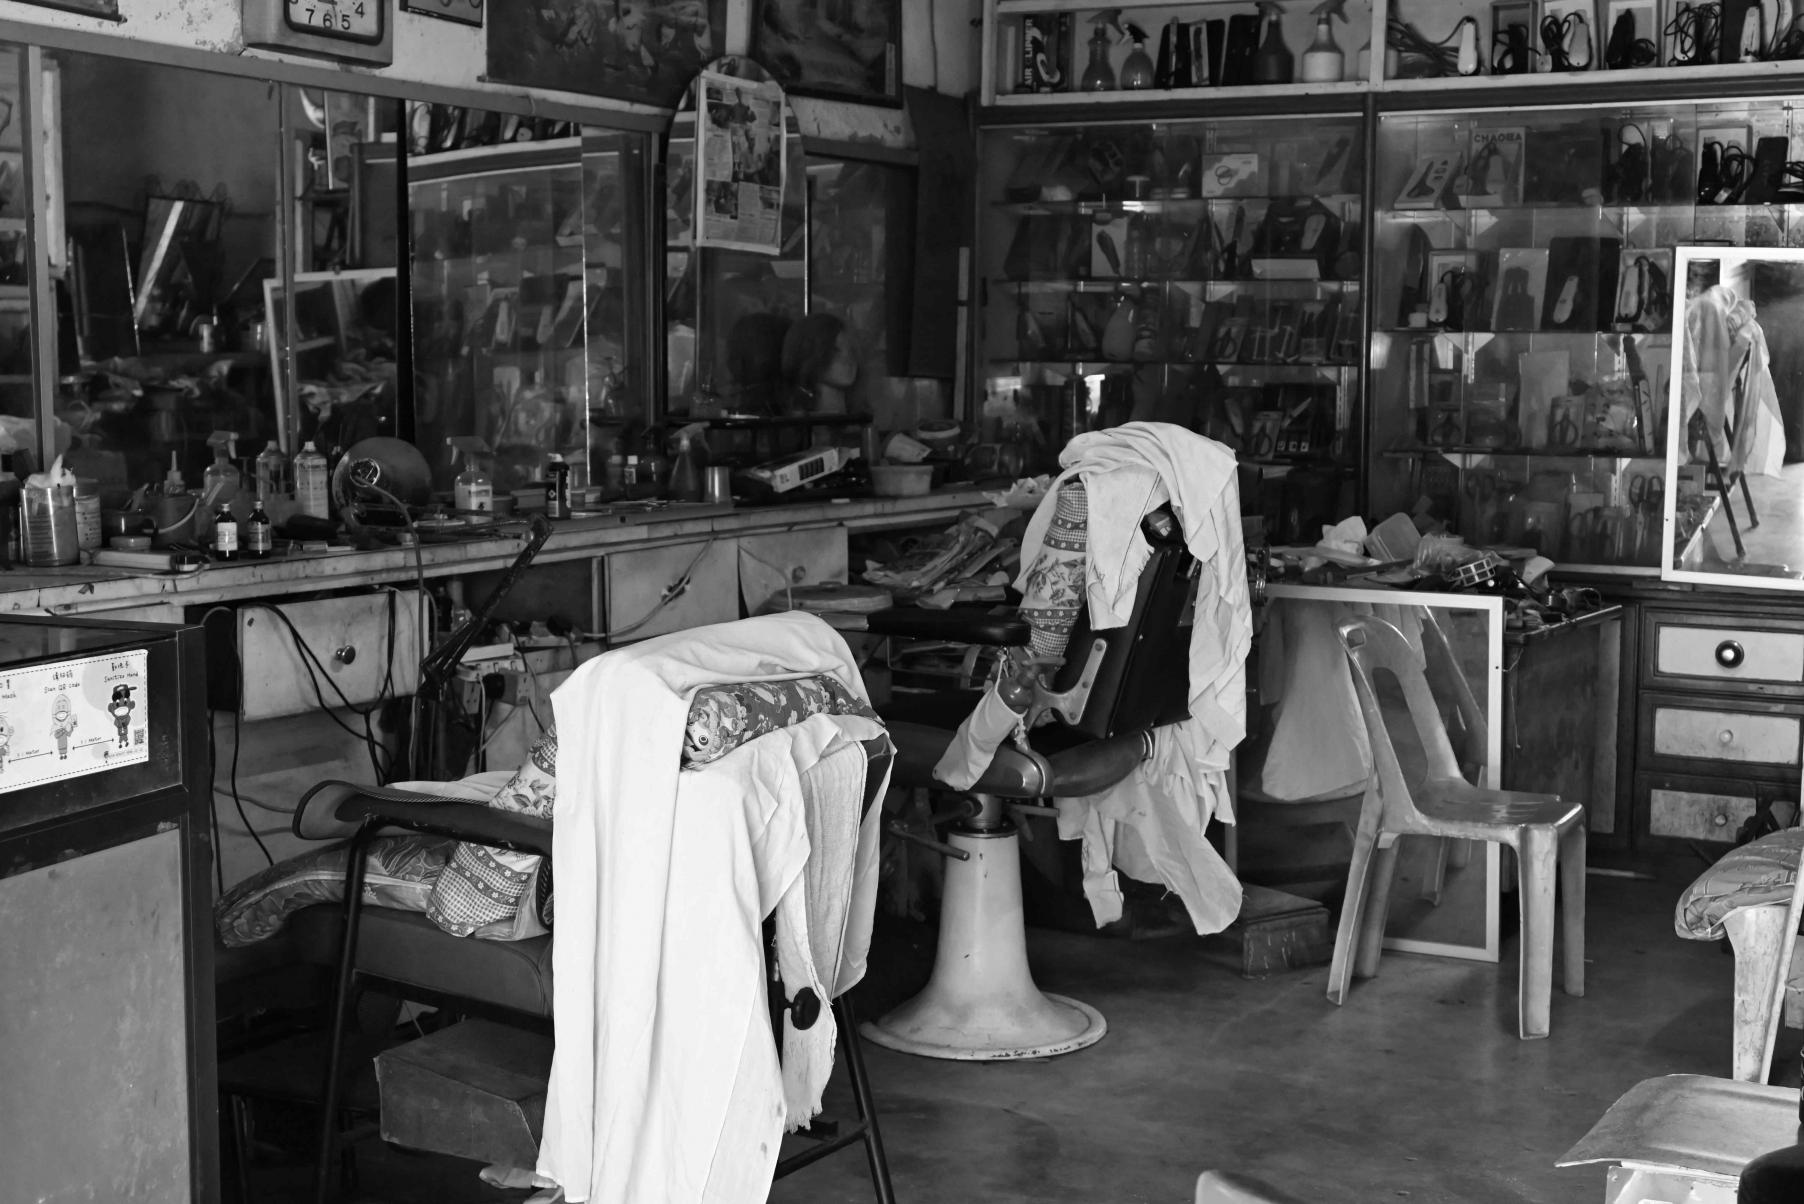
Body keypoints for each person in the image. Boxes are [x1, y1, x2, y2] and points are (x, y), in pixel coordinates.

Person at [780, 312, 858, 417]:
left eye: (851, 350)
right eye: (835, 350)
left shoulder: (864, 416)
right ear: (809, 353)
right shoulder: (801, 424)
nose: (848, 358)